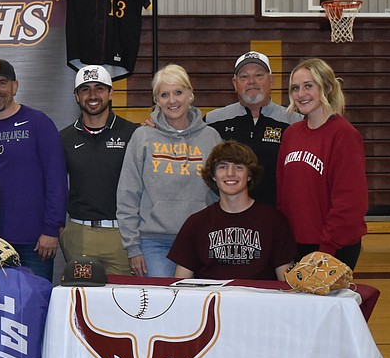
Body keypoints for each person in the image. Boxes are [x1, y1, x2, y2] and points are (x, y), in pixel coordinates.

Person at [117, 64, 222, 278]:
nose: (172, 100)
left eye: (178, 92)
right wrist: (133, 246)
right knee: (163, 308)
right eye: (164, 95)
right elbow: (128, 193)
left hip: (201, 240)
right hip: (154, 243)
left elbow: (220, 192)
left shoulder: (211, 137)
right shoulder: (143, 137)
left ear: (190, 94)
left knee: (198, 308)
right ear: (156, 101)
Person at [0, 58, 67, 279]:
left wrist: (51, 229)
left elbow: (56, 179)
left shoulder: (38, 123)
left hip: (34, 241)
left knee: (36, 304)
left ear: (15, 86)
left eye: (1, 82)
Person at [277, 58, 368, 269]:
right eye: (295, 88)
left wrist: (326, 250)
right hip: (297, 246)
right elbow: (283, 196)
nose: (301, 94)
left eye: (309, 86)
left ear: (326, 87)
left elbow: (351, 203)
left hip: (334, 246)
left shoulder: (344, 135)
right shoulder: (291, 134)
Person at [169, 141, 296, 280]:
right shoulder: (196, 223)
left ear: (249, 175)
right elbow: (180, 285)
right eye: (223, 167)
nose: (230, 173)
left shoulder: (274, 221)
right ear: (213, 175)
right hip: (212, 300)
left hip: (258, 300)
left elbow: (286, 284)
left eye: (239, 167)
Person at [59, 65, 138, 276]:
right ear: (76, 96)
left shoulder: (135, 134)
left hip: (121, 234)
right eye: (85, 89)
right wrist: (61, 230)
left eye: (99, 88)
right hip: (79, 232)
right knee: (82, 302)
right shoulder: (64, 138)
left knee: (121, 303)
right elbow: (54, 187)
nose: (92, 95)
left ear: (111, 93)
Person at [205, 51, 302, 206]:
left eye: (258, 75)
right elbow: (182, 132)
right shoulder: (212, 121)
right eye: (244, 77)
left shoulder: (296, 123)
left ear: (271, 80)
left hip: (277, 218)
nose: (251, 81)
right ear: (234, 83)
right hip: (226, 218)